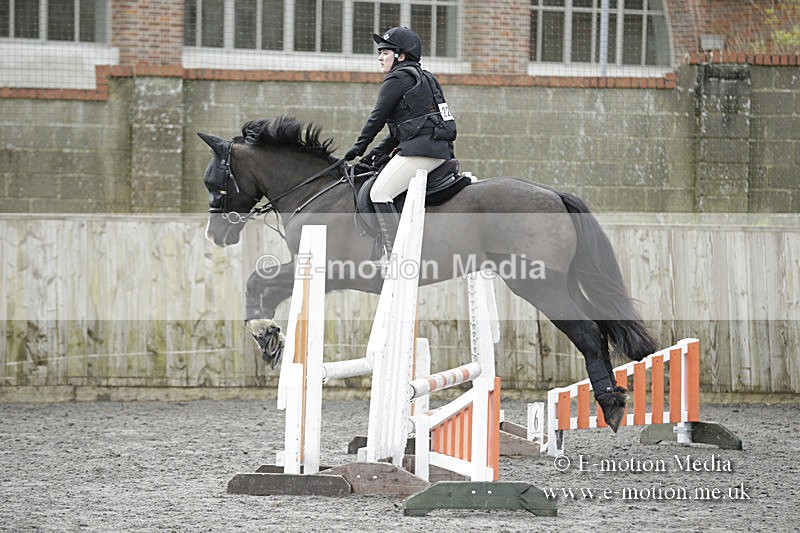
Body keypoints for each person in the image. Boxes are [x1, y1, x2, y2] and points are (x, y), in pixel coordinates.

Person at [344, 27, 456, 261]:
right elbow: (404, 129)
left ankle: (396, 254)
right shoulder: (427, 78)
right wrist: (374, 153)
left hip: (421, 151)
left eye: (385, 52)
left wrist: (358, 147)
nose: (380, 57)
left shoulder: (397, 78)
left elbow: (377, 118)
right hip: (438, 150)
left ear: (401, 56)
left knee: (380, 192)